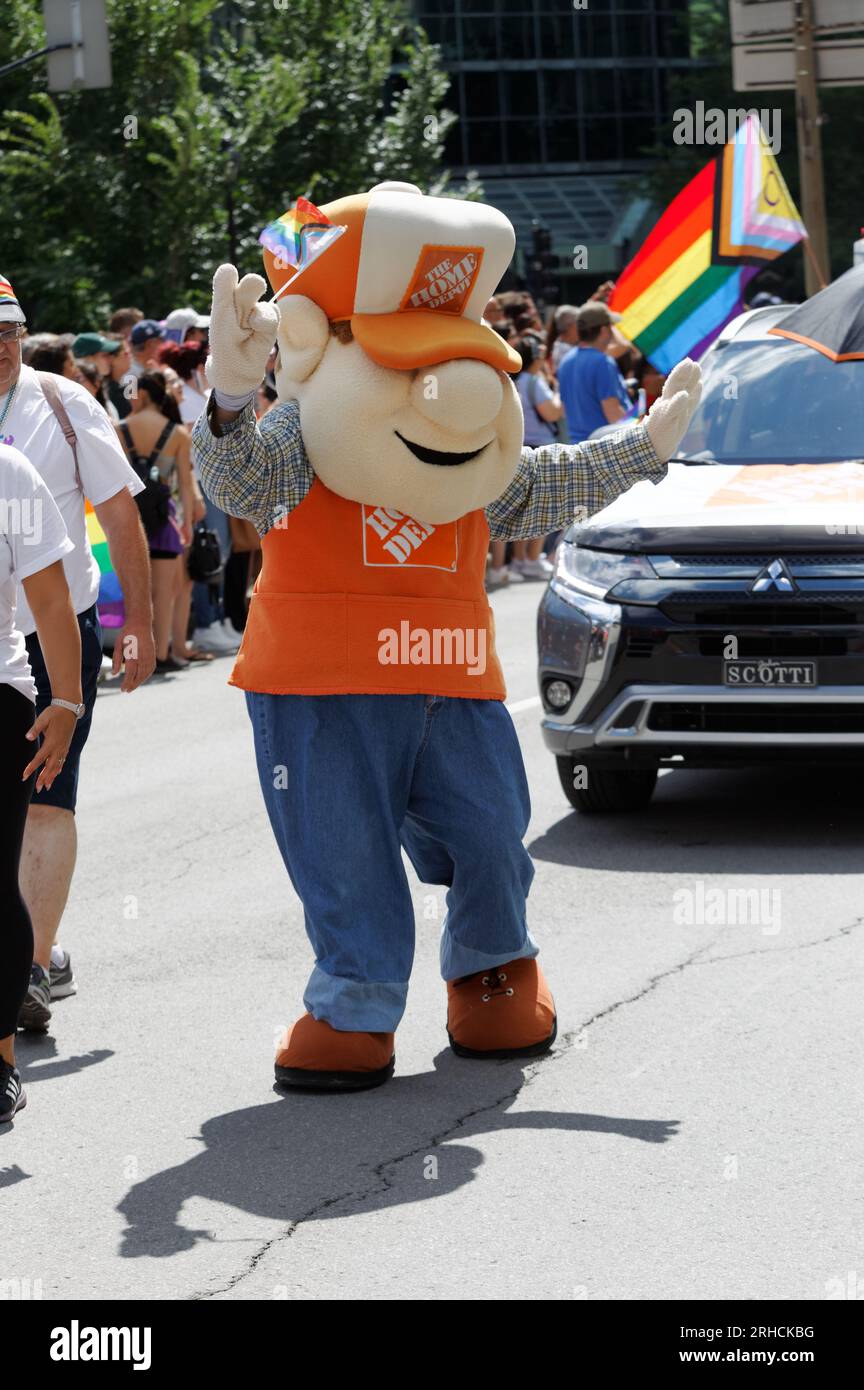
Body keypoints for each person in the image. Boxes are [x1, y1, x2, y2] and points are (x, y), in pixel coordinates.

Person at [193, 182, 702, 1092]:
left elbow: (541, 485)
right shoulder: (302, 434)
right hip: (319, 684)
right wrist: (230, 396)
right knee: (341, 852)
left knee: (494, 835)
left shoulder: (475, 463)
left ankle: (492, 972)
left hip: (451, 675)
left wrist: (641, 448)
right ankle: (355, 1000)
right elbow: (239, 485)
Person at [0, 273, 155, 1033]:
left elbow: (122, 514)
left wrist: (142, 622)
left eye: (9, 332)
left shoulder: (64, 404)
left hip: (55, 630)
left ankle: (30, 965)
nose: (0, 348)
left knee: (45, 798)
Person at [0, 441, 82, 1122]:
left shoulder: (8, 470)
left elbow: (52, 601)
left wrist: (69, 702)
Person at [116, 370, 206, 670]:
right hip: (163, 521)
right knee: (164, 593)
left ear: (141, 395)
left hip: (126, 517)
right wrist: (188, 527)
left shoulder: (119, 429)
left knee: (133, 591)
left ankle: (133, 654)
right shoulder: (177, 433)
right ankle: (162, 655)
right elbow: (184, 480)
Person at [557, 302, 632, 444]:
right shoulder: (603, 362)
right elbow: (614, 415)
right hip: (603, 451)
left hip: (577, 448)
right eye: (610, 327)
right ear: (604, 331)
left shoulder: (565, 361)